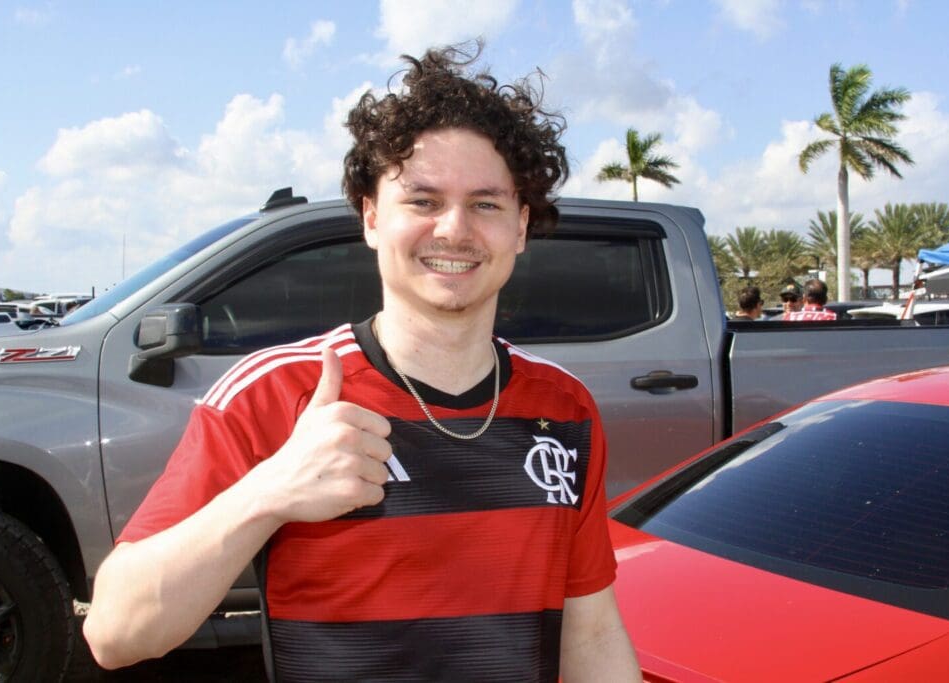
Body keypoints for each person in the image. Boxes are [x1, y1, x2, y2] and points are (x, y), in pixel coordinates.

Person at [83, 44, 640, 683]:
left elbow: (591, 632)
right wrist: (270, 491)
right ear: (372, 217)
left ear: (520, 226)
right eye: (423, 201)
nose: (454, 229)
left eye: (486, 203)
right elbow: (116, 633)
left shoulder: (563, 409)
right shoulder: (277, 394)